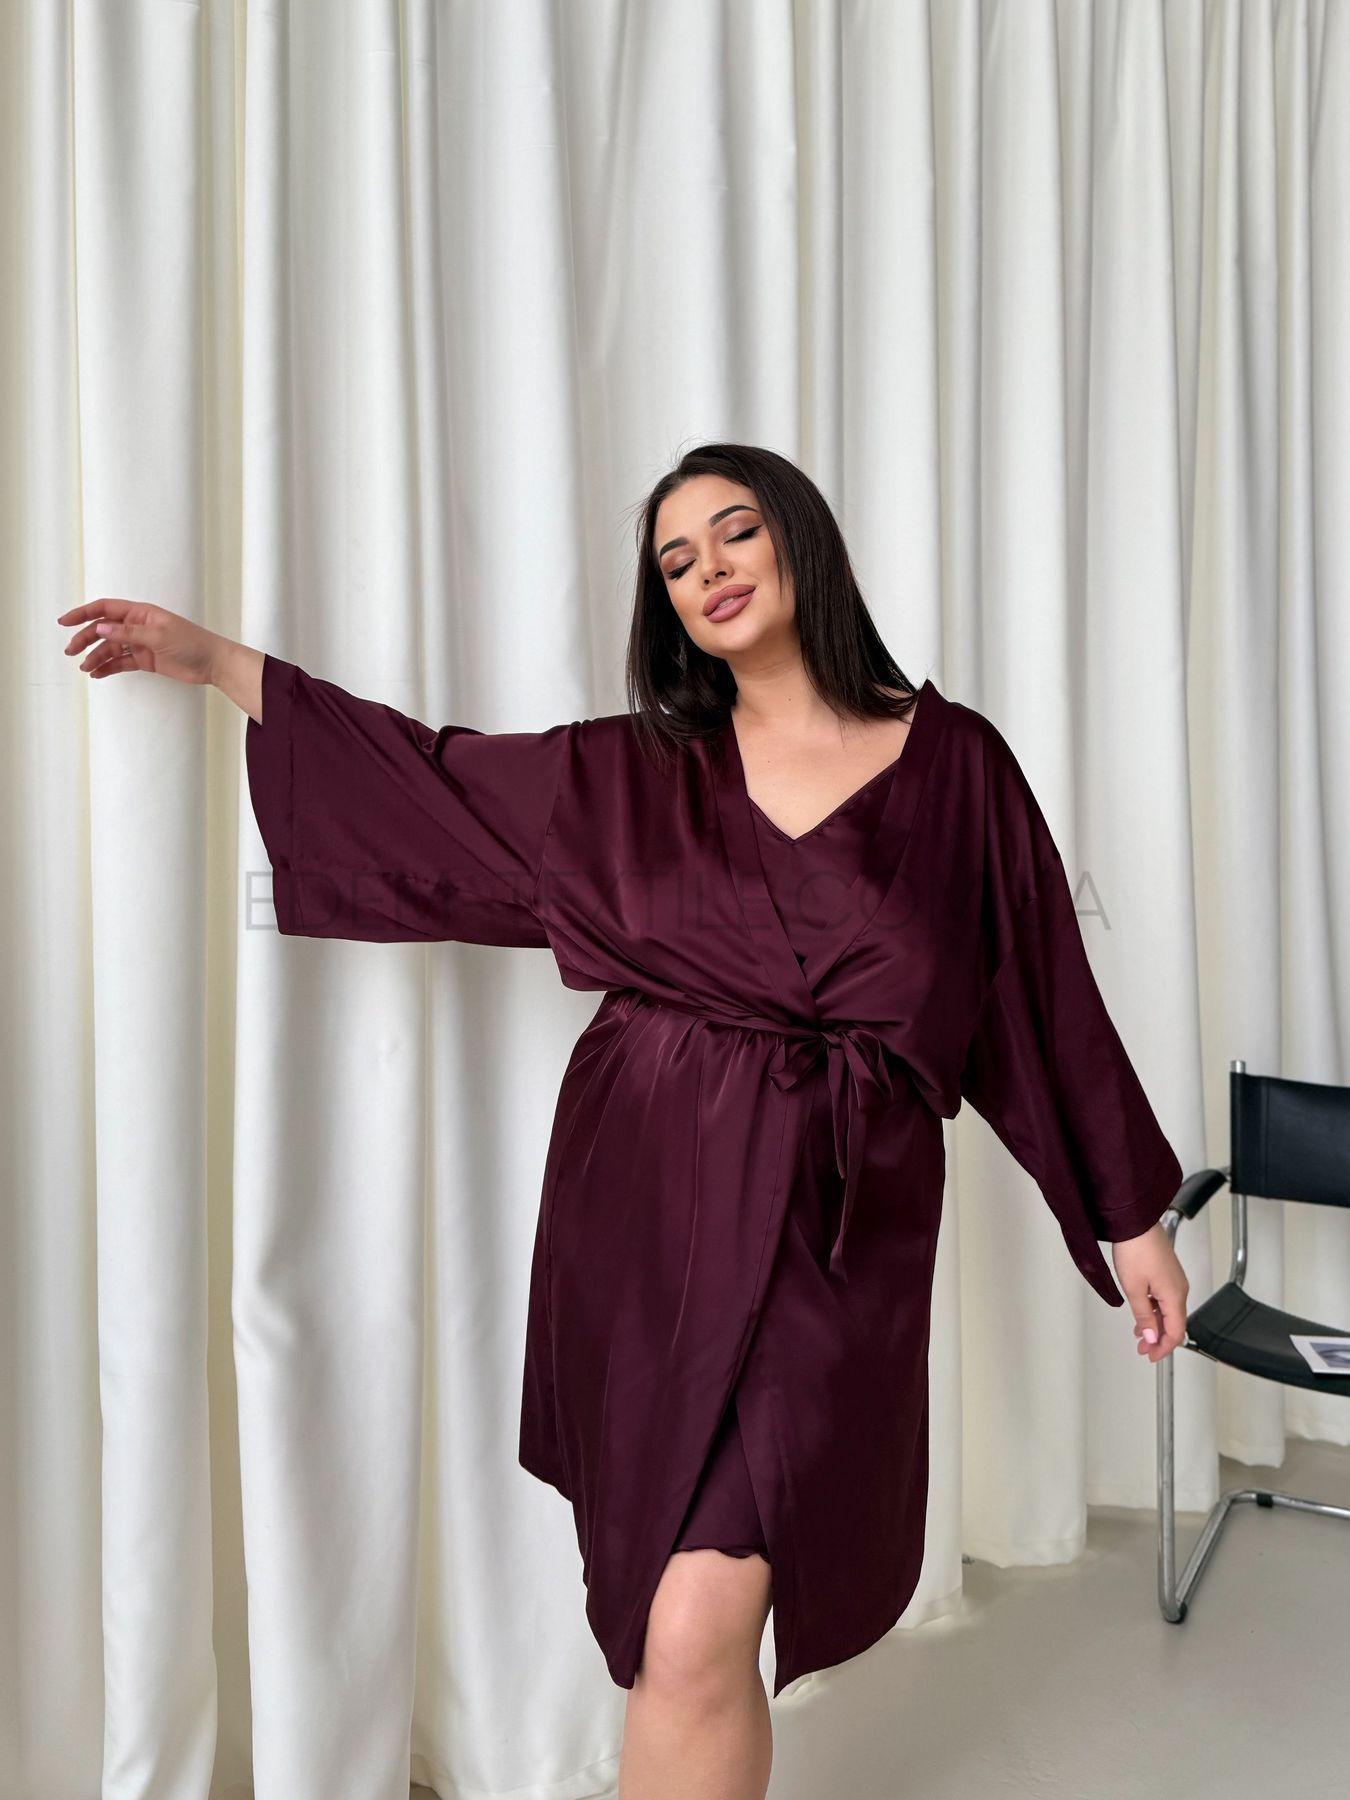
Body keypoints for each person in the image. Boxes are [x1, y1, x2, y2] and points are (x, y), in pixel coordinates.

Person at [56, 441, 1188, 1800]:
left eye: (735, 532)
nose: (710, 570)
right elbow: (434, 781)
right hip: (654, 1218)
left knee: (700, 1619)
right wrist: (224, 665)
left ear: (800, 540)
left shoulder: (957, 769)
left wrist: (1128, 1216)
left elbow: (1034, 988)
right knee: (679, 1630)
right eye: (676, 560)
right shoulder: (633, 774)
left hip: (840, 1240)